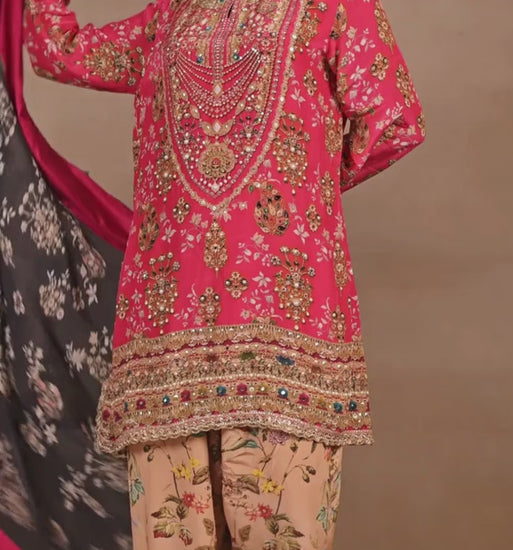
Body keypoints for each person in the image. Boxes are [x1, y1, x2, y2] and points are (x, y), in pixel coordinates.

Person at [24, 0, 425, 548]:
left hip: (284, 328)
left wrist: (294, 191)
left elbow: (394, 119)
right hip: (165, 338)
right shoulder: (169, 15)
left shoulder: (335, 8)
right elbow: (57, 51)